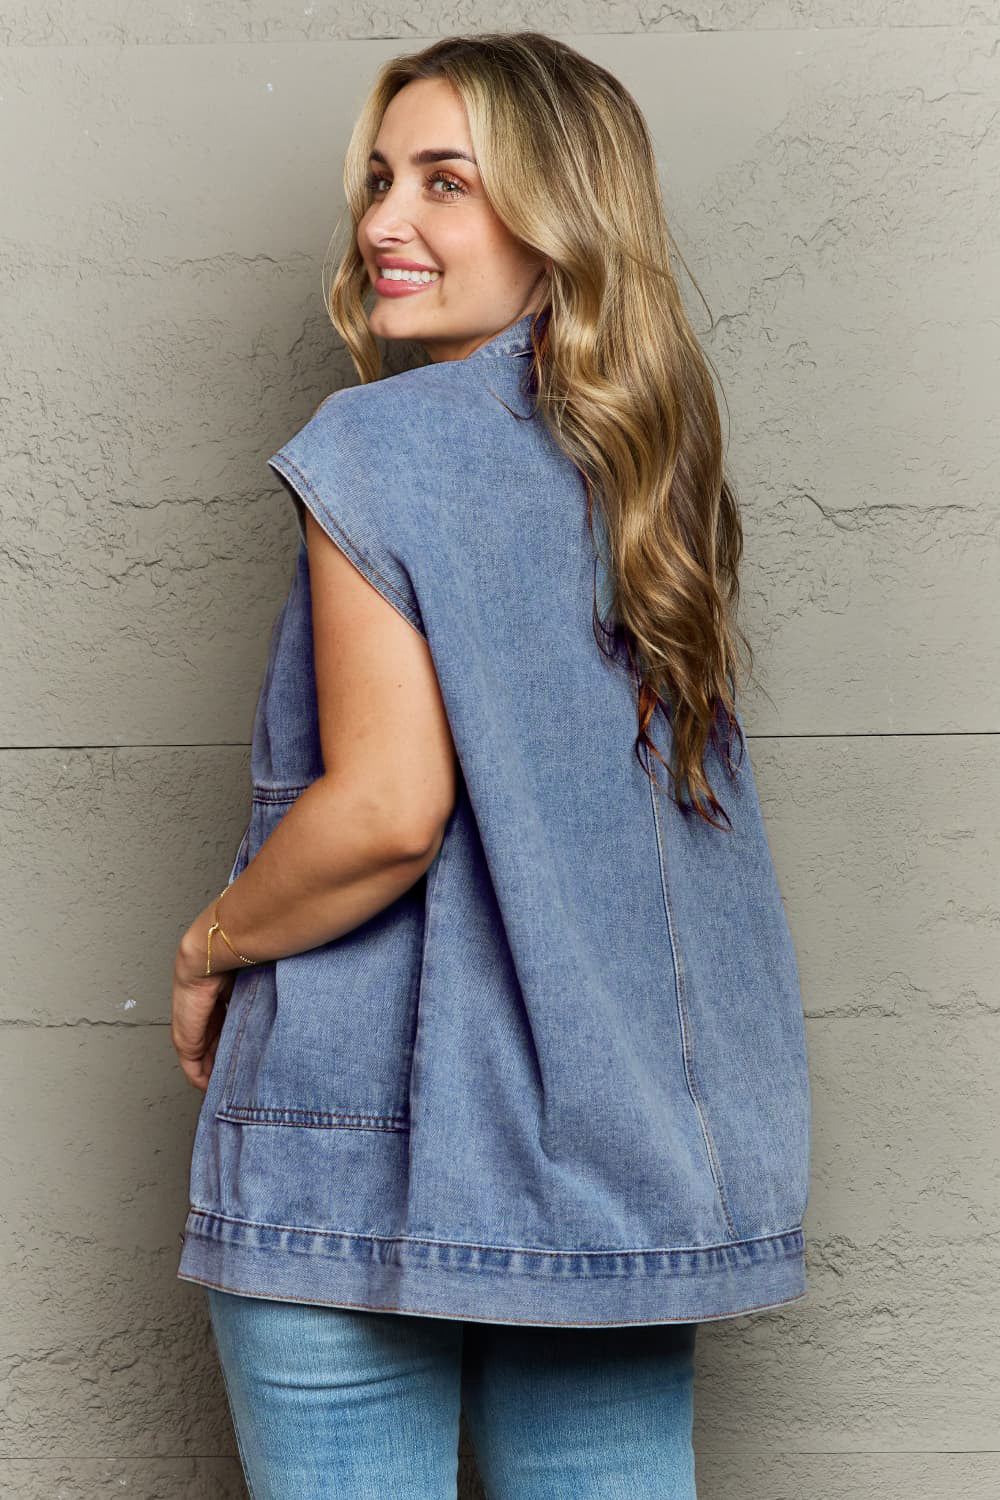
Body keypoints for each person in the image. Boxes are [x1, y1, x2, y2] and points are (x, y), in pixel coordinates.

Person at [170, 30, 811, 1499]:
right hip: (616, 1147)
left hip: (357, 1130)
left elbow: (388, 816)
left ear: (558, 215)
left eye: (445, 184)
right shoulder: (654, 469)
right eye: (382, 180)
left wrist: (209, 945)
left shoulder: (379, 444)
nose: (386, 221)